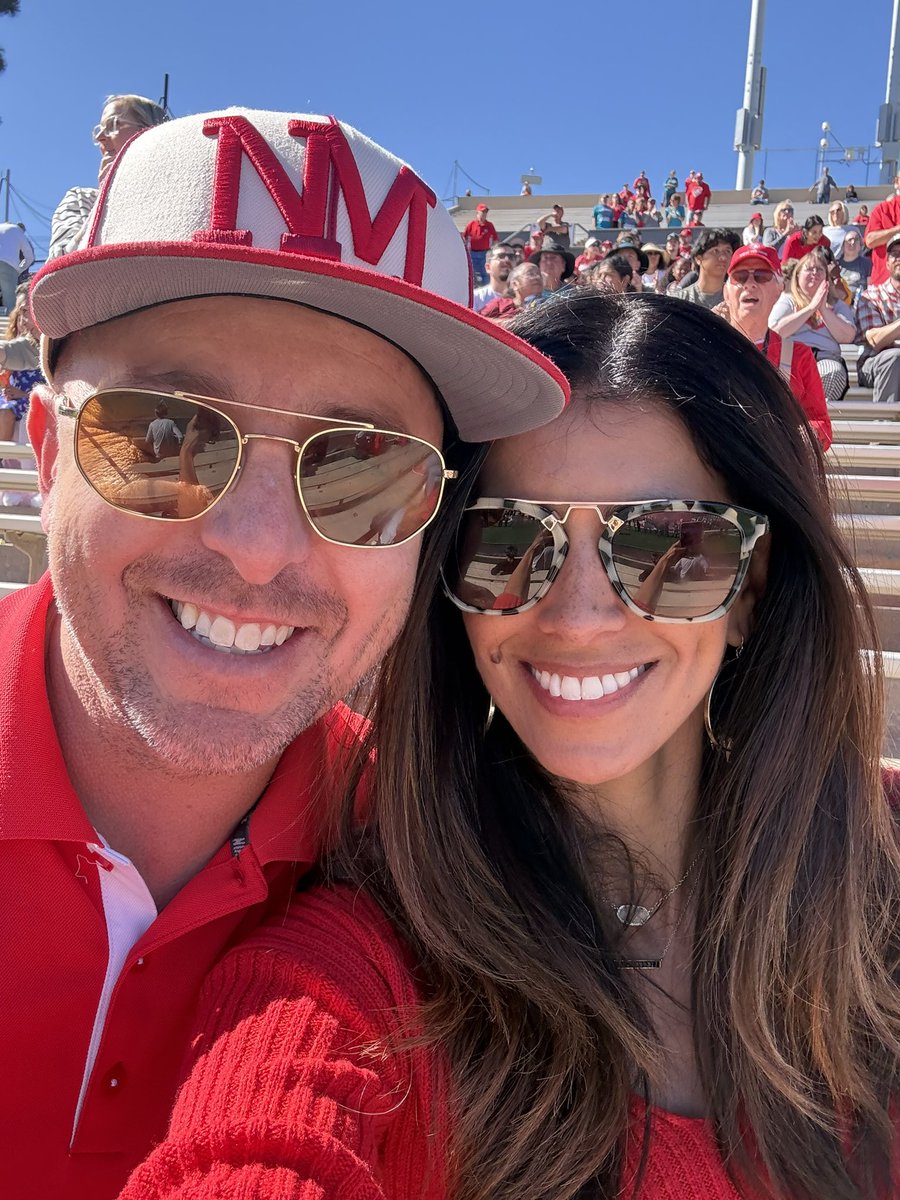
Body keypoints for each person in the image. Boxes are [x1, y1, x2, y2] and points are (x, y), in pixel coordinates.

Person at [121, 291, 897, 1200]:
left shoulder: (877, 853)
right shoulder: (352, 980)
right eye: (506, 542)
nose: (573, 616)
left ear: (752, 589)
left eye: (668, 547)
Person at [1, 106, 568, 1200]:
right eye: (164, 434)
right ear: (45, 455)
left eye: (361, 472)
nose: (258, 551)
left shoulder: (431, 857)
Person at [717, 244, 831, 447]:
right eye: (740, 276)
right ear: (727, 292)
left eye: (761, 276)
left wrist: (795, 440)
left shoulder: (798, 355)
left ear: (778, 290)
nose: (750, 284)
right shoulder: (706, 349)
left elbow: (822, 426)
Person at [49, 94, 168, 260]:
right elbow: (58, 266)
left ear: (150, 131)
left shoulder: (175, 199)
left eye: (113, 124)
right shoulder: (81, 199)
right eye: (99, 130)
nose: (100, 138)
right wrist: (106, 198)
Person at [768, 247, 856, 402]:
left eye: (820, 270)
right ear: (797, 275)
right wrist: (810, 308)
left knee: (832, 372)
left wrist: (822, 308)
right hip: (791, 360)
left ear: (827, 278)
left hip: (825, 359)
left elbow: (847, 336)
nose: (815, 273)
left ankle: (814, 415)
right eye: (809, 269)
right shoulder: (788, 300)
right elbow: (774, 330)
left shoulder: (837, 305)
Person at [0, 284, 44, 508]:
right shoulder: (29, 344)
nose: (24, 320)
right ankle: (14, 487)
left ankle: (34, 490)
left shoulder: (65, 339)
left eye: (28, 311)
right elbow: (13, 351)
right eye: (21, 313)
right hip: (17, 405)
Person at [856, 230, 900, 403]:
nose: (899, 258)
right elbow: (875, 340)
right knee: (895, 357)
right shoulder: (872, 295)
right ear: (887, 263)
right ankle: (885, 423)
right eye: (894, 254)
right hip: (874, 362)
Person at [677, 228, 740, 310]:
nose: (723, 257)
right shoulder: (680, 300)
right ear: (698, 258)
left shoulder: (737, 299)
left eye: (728, 251)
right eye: (715, 251)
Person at [864, 171, 900, 287]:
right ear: (897, 182)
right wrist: (897, 230)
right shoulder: (882, 209)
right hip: (883, 287)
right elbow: (870, 241)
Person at [480, 260, 544, 319]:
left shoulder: (546, 306)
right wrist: (511, 323)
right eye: (530, 274)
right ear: (515, 284)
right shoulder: (500, 304)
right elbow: (479, 321)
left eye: (539, 274)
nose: (537, 277)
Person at [0, 220, 34, 312]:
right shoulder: (18, 231)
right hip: (8, 266)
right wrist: (20, 269)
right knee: (10, 297)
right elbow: (29, 256)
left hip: (9, 264)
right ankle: (11, 321)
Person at [472, 243, 516, 313]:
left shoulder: (523, 296)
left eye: (511, 257)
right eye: (501, 256)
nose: (507, 260)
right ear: (488, 267)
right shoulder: (476, 298)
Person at [462, 203, 498, 284]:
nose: (484, 214)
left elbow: (495, 239)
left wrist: (494, 251)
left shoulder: (489, 225)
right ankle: (473, 291)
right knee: (471, 274)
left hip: (485, 253)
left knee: (485, 273)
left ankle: (486, 290)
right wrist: (465, 251)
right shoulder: (471, 224)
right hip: (473, 253)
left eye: (485, 212)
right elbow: (464, 237)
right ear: (477, 213)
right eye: (482, 212)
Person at [837, 229, 872, 294]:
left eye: (856, 240)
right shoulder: (836, 265)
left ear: (860, 245)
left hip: (861, 301)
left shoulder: (867, 263)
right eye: (849, 240)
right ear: (843, 245)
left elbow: (870, 289)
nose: (853, 242)